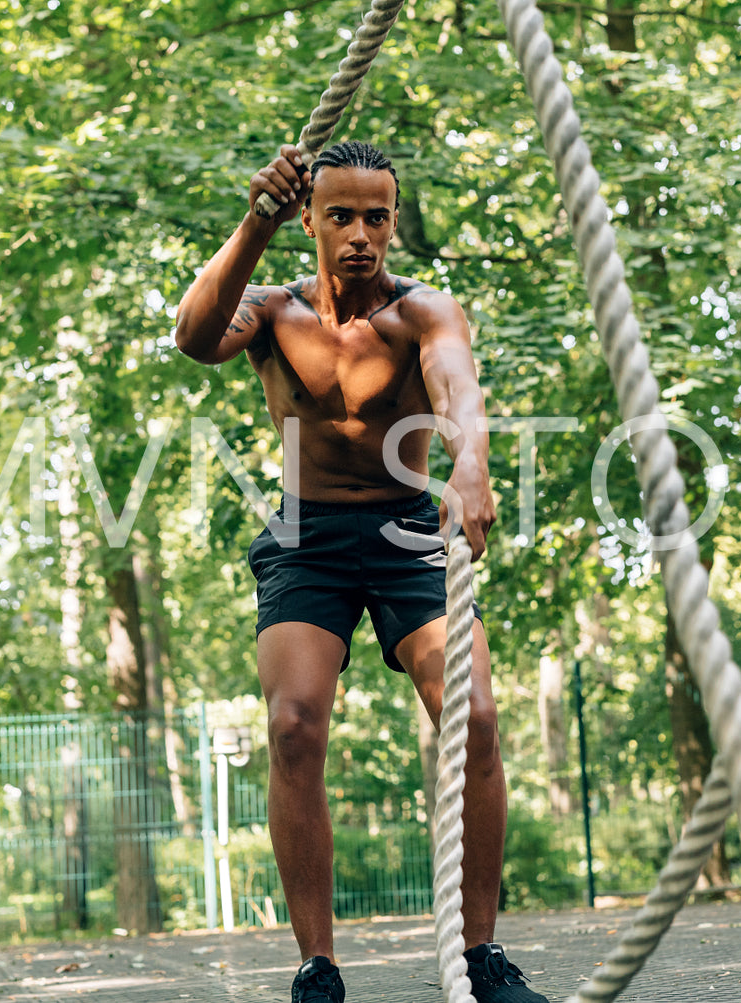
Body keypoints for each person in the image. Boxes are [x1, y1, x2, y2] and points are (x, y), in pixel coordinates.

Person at [175, 141, 547, 1003]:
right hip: (305, 539)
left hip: (408, 532)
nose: (359, 235)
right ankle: (318, 967)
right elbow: (194, 338)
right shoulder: (268, 311)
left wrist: (471, 464)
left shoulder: (421, 314)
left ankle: (481, 956)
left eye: (375, 216)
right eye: (338, 215)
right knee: (293, 726)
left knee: (477, 718)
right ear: (308, 219)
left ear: (391, 222)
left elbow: (458, 389)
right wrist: (253, 218)